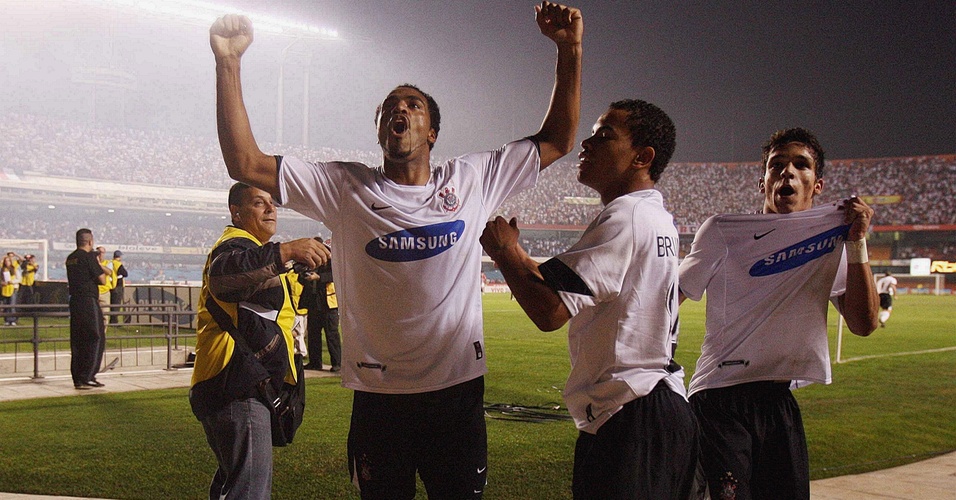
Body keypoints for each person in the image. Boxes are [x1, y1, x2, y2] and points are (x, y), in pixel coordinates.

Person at [209, 2, 581, 496]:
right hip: (379, 397)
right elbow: (245, 162)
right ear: (381, 129)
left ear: (432, 132)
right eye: (389, 107)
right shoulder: (344, 187)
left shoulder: (472, 179)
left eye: (412, 104)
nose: (399, 109)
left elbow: (558, 139)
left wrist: (569, 48)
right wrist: (229, 62)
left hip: (457, 394)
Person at [480, 100, 698, 499]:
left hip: (631, 414)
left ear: (642, 157)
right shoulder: (654, 215)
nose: (587, 142)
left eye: (605, 135)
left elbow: (550, 310)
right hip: (659, 405)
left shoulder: (625, 217)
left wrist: (504, 253)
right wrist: (519, 254)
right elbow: (561, 282)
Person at [678, 127, 880, 499]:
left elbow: (863, 325)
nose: (787, 172)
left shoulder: (830, 242)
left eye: (800, 165)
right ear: (763, 182)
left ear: (817, 185)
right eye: (777, 165)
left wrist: (857, 244)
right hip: (720, 398)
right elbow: (671, 296)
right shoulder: (723, 232)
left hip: (778, 400)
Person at [189, 182, 329, 500]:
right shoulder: (234, 244)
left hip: (230, 384)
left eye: (272, 203)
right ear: (235, 212)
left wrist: (295, 266)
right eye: (258, 203)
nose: (270, 208)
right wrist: (286, 250)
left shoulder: (250, 250)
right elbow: (224, 277)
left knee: (233, 486)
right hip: (237, 385)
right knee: (249, 493)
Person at [65, 229, 107, 389]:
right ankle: (88, 376)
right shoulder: (88, 257)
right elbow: (102, 280)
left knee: (78, 340)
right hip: (88, 301)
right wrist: (98, 264)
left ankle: (78, 377)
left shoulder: (71, 258)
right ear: (90, 241)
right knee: (95, 337)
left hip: (75, 301)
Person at [302, 243, 341, 372]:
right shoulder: (312, 264)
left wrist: (318, 277)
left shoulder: (334, 264)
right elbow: (301, 279)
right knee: (313, 335)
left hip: (329, 306)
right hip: (314, 305)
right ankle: (315, 362)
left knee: (332, 336)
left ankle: (337, 363)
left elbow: (335, 276)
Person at [109, 250, 129, 324]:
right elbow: (125, 273)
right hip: (118, 286)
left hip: (112, 285)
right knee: (116, 304)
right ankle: (114, 321)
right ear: (119, 257)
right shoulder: (117, 264)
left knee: (112, 304)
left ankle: (112, 320)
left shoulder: (110, 262)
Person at [1, 255, 17, 326]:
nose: (7, 262)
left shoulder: (14, 269)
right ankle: (7, 319)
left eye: (8, 261)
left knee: (12, 305)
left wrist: (12, 282)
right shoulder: (2, 270)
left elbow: (19, 279)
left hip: (12, 288)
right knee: (6, 305)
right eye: (6, 261)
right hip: (5, 289)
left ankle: (13, 320)